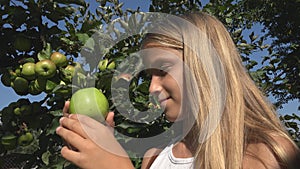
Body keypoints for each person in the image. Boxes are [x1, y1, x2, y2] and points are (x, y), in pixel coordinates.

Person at [56, 12, 299, 169]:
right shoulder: (153, 159)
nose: (152, 88)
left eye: (163, 69)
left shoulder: (269, 155)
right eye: (149, 76)